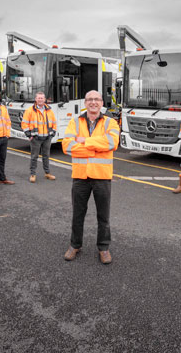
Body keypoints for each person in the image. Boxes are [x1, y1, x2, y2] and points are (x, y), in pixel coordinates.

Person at [62, 91, 119, 264]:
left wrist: (84, 142)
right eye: (90, 100)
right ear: (85, 102)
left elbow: (111, 143)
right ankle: (75, 245)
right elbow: (67, 146)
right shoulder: (75, 121)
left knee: (103, 216)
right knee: (77, 214)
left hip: (101, 176)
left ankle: (104, 248)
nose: (93, 102)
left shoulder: (111, 122)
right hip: (80, 176)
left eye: (96, 99)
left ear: (101, 103)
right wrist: (96, 146)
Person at [21, 92, 57, 183]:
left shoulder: (49, 110)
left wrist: (52, 134)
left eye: (42, 98)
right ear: (36, 99)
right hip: (35, 138)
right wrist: (29, 135)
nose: (40, 100)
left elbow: (54, 122)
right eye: (39, 98)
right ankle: (33, 174)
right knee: (34, 156)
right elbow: (24, 123)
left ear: (44, 99)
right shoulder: (29, 110)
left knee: (46, 156)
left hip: (47, 138)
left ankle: (47, 173)